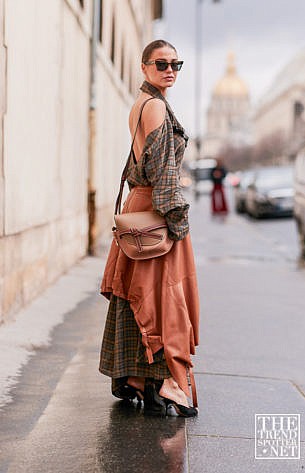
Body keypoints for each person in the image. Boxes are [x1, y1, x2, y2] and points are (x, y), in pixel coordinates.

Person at [99, 40, 199, 417]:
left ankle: (137, 379)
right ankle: (161, 384)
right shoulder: (155, 105)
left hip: (141, 207)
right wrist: (178, 222)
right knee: (162, 299)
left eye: (177, 63)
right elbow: (164, 173)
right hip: (156, 211)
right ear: (144, 67)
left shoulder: (143, 103)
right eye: (161, 63)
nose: (170, 69)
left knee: (139, 293)